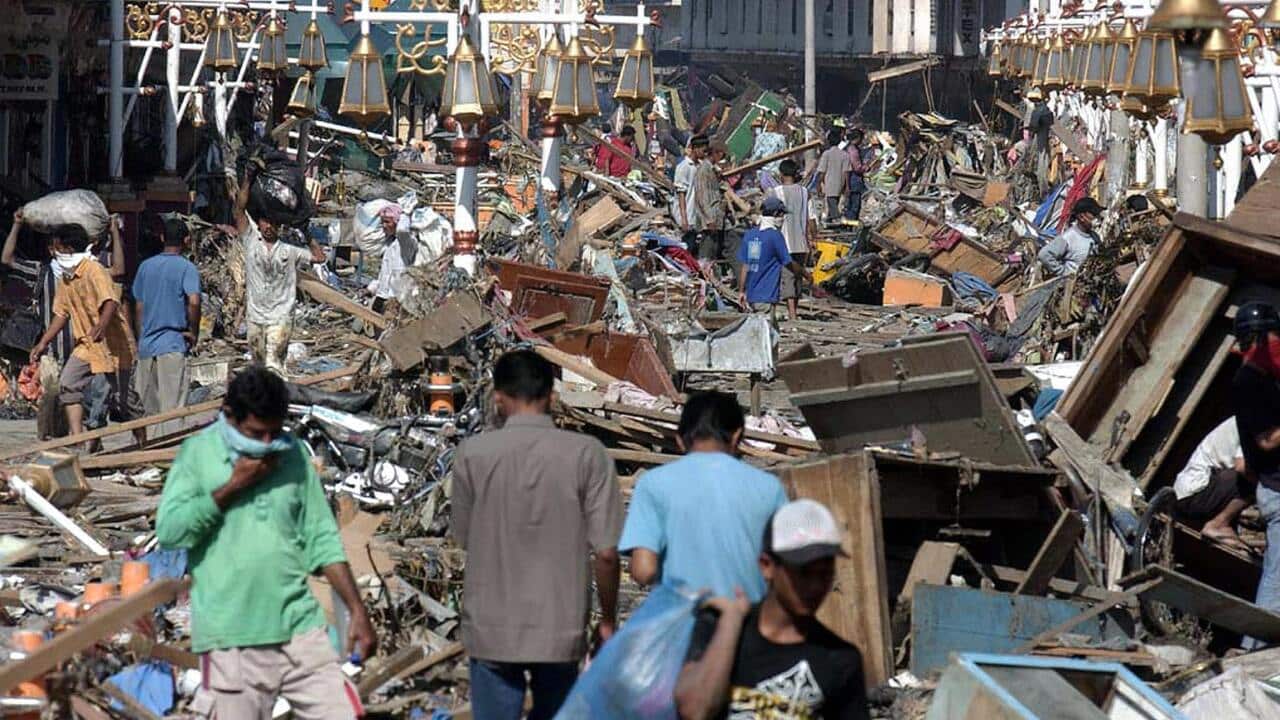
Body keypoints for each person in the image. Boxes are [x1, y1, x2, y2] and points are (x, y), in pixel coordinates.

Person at [156, 366, 375, 719]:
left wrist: (358, 611)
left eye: (275, 433)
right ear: (229, 416)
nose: (267, 444)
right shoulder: (197, 454)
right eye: (256, 433)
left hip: (299, 630)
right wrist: (232, 486)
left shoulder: (292, 458)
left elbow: (322, 540)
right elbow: (171, 531)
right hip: (230, 639)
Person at [451, 350, 624, 719]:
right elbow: (606, 553)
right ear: (552, 396)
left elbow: (462, 538)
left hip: (491, 628)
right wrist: (608, 619)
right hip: (561, 630)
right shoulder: (588, 454)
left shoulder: (473, 454)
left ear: (498, 398)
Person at [674, 499, 870, 720]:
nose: (816, 586)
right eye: (804, 572)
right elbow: (694, 709)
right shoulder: (719, 627)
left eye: (824, 574)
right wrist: (731, 623)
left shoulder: (839, 659)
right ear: (767, 566)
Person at [621, 391, 789, 601]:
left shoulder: (653, 484)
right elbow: (785, 564)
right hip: (747, 620)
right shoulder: (769, 487)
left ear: (680, 440)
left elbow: (643, 570)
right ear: (737, 436)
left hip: (682, 624)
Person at [29, 224, 144, 446]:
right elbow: (61, 313)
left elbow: (110, 300)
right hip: (87, 345)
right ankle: (78, 437)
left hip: (114, 347)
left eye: (57, 248)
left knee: (124, 401)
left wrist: (101, 324)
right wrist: (43, 342)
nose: (54, 252)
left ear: (69, 248)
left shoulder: (94, 270)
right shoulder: (66, 277)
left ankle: (142, 445)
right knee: (68, 383)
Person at [235, 161, 328, 376]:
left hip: (281, 316)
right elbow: (239, 211)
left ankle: (274, 404)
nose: (269, 227)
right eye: (266, 223)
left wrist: (306, 231)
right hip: (256, 316)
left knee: (275, 366)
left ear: (279, 225)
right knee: (258, 368)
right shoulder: (251, 242)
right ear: (259, 223)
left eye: (273, 224)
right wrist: (248, 179)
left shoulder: (289, 251)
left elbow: (319, 257)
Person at [1232, 302, 1280, 626]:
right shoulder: (1248, 383)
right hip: (1277, 489)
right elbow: (1266, 440)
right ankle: (1254, 652)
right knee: (1277, 580)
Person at [131, 219, 201, 416]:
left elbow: (139, 306)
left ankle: (148, 448)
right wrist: (193, 333)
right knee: (172, 411)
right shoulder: (187, 268)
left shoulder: (145, 267)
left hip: (147, 346)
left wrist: (141, 338)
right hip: (173, 344)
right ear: (186, 240)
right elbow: (194, 302)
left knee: (147, 412)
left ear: (162, 238)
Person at [1173, 417, 1251, 551]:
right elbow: (1241, 466)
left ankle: (1223, 524)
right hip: (1195, 494)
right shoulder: (1263, 418)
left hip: (1201, 493)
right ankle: (1218, 525)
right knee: (1263, 476)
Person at [737, 196, 811, 319]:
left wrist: (741, 291)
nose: (782, 219)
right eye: (782, 215)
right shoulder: (775, 236)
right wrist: (806, 275)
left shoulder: (750, 235)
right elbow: (788, 263)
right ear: (776, 214)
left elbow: (745, 266)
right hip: (766, 296)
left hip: (752, 296)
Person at [770, 160, 816, 321]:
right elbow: (811, 218)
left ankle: (792, 314)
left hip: (784, 241)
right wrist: (813, 238)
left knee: (788, 276)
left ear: (781, 174)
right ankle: (794, 311)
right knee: (797, 276)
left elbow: (771, 217)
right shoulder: (805, 192)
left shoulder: (776, 192)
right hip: (801, 242)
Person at [1038, 197, 1102, 277]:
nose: (1097, 218)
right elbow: (1044, 255)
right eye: (1094, 215)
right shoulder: (1068, 237)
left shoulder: (1095, 237)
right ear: (1081, 217)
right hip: (1074, 284)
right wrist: (1063, 272)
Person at [371, 204, 414, 314]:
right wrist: (373, 287)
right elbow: (385, 273)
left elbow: (403, 230)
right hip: (384, 296)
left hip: (397, 298)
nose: (384, 226)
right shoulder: (390, 246)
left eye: (388, 222)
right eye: (383, 222)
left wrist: (405, 213)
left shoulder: (406, 243)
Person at [690, 136, 727, 261]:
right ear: (715, 153)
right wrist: (709, 219)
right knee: (706, 254)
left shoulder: (711, 170)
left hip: (714, 218)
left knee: (712, 254)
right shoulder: (703, 171)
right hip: (708, 221)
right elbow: (702, 197)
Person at [815, 131, 851, 224]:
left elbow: (822, 171)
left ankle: (836, 218)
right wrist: (847, 186)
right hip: (840, 182)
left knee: (831, 202)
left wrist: (818, 183)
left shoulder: (826, 154)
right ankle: (831, 219)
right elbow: (846, 172)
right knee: (835, 201)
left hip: (829, 182)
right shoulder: (845, 155)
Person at [672, 140, 699, 251]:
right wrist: (684, 219)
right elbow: (681, 194)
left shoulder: (698, 166)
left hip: (694, 215)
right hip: (686, 216)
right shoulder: (683, 167)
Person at [843, 128, 870, 225]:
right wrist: (866, 168)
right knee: (854, 206)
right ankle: (850, 226)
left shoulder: (847, 148)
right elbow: (857, 167)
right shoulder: (853, 150)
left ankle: (848, 225)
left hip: (850, 180)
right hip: (854, 180)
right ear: (858, 138)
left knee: (850, 205)